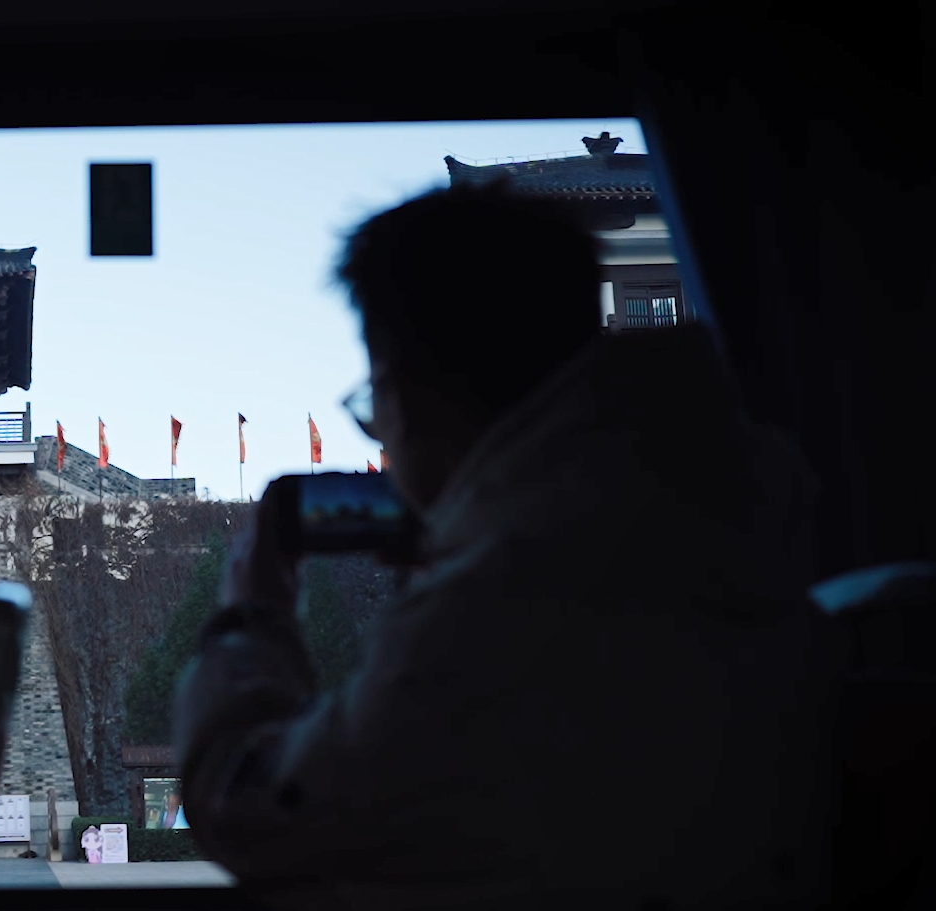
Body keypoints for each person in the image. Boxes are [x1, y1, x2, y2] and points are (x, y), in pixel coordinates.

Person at [171, 181, 846, 910]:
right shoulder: (741, 515)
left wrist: (250, 617)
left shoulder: (490, 616)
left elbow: (251, 811)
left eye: (373, 406)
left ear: (408, 395)